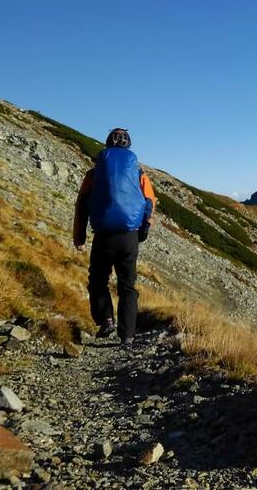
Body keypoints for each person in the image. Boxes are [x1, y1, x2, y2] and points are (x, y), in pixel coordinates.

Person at [72, 128, 156, 348]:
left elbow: (81, 205)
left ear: (107, 144)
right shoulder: (138, 173)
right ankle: (127, 336)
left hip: (103, 237)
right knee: (127, 286)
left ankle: (106, 319)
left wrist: (79, 237)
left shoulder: (94, 173)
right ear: (128, 145)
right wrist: (145, 227)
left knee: (98, 280)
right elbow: (149, 201)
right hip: (129, 237)